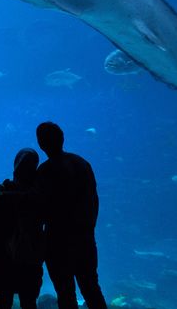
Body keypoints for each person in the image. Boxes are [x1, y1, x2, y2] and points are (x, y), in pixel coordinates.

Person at [35, 121, 108, 309]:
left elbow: (39, 210)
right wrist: (87, 229)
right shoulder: (81, 164)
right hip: (84, 238)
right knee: (91, 288)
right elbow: (94, 201)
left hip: (56, 242)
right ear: (62, 139)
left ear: (40, 144)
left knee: (65, 292)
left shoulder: (43, 172)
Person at [0, 148, 44, 309]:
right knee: (28, 300)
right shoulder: (38, 195)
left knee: (4, 298)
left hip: (3, 255)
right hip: (30, 254)